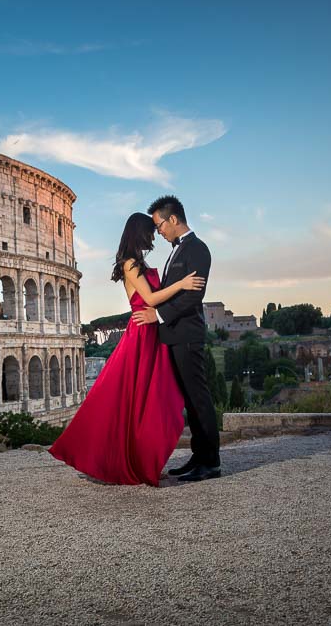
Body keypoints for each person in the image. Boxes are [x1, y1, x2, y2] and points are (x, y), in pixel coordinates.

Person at [48, 212, 205, 486]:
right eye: (150, 232)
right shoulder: (130, 263)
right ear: (139, 233)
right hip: (142, 335)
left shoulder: (138, 262)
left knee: (154, 402)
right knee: (137, 401)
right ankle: (131, 462)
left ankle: (145, 460)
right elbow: (151, 298)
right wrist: (182, 284)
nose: (154, 237)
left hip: (152, 333)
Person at [132, 195, 219, 481]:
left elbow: (193, 296)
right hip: (174, 335)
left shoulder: (197, 249)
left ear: (173, 219)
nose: (159, 231)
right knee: (190, 402)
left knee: (199, 399)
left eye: (159, 225)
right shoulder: (176, 251)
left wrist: (156, 316)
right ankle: (199, 456)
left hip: (187, 335)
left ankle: (211, 462)